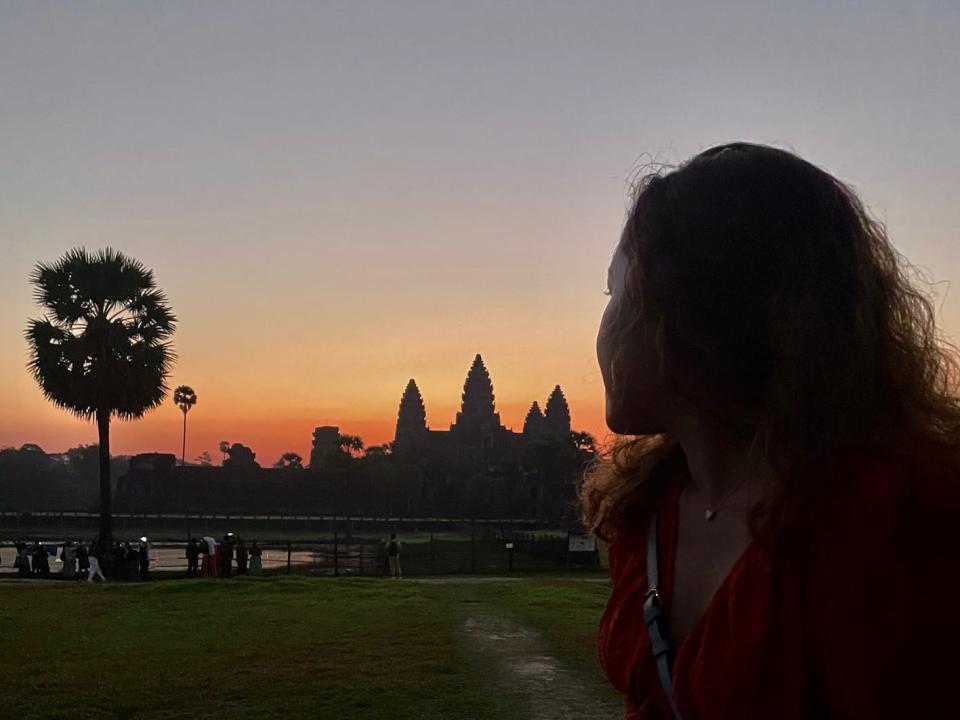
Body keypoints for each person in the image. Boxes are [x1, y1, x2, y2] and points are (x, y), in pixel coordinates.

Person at [582, 142, 960, 719]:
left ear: (684, 311)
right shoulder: (645, 512)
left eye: (615, 291)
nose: (602, 329)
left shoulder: (905, 514)